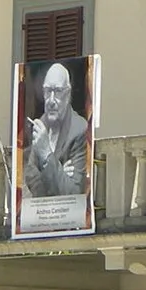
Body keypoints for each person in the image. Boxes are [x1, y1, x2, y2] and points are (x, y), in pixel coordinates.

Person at [23, 61, 90, 201]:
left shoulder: (79, 129)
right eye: (48, 91)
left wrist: (46, 154)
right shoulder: (40, 126)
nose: (51, 100)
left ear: (67, 94)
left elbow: (73, 192)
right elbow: (30, 181)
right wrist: (59, 172)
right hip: (40, 216)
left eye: (58, 91)